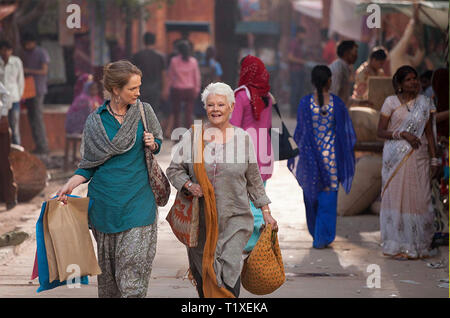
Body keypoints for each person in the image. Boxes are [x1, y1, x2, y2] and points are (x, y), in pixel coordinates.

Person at [56, 60, 163, 297]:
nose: (138, 92)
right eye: (132, 88)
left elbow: (158, 142)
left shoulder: (145, 112)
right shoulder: (95, 121)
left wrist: (152, 143)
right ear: (116, 90)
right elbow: (88, 166)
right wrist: (69, 185)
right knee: (110, 283)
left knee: (132, 280)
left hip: (139, 205)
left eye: (139, 87)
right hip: (105, 209)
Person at [166, 82, 277, 298]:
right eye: (210, 105)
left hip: (235, 220)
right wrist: (189, 185)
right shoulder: (193, 137)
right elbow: (174, 170)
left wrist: (266, 212)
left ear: (232, 107)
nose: (215, 109)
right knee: (204, 278)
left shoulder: (243, 139)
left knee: (229, 274)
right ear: (205, 108)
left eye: (220, 104)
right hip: (201, 224)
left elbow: (254, 179)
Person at [288, 65, 356, 249]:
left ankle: (316, 233)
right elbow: (346, 134)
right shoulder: (337, 104)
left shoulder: (305, 103)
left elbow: (300, 133)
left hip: (310, 159)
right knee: (328, 200)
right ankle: (322, 237)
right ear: (329, 81)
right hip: (331, 160)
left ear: (312, 81)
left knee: (311, 198)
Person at [377, 65, 438, 260]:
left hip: (419, 157)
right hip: (395, 158)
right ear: (400, 84)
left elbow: (429, 133)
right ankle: (397, 245)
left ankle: (419, 245)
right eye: (409, 79)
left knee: (420, 199)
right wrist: (402, 133)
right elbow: (380, 132)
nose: (414, 82)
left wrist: (435, 159)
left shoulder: (425, 103)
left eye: (416, 78)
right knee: (397, 199)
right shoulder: (390, 102)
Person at [230, 55, 274, 252]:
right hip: (264, 150)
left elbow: (232, 126)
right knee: (259, 193)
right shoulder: (268, 96)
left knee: (245, 198)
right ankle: (255, 238)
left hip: (245, 151)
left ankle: (250, 241)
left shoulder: (241, 95)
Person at [21, 33, 50, 155]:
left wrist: (29, 71)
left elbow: (44, 70)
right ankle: (38, 145)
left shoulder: (41, 52)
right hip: (28, 90)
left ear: (33, 42)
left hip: (38, 89)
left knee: (38, 118)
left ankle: (44, 146)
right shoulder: (25, 53)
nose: (27, 46)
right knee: (32, 118)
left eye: (29, 43)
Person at [131, 32, 168, 116]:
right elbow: (164, 74)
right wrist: (164, 90)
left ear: (144, 41)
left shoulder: (137, 56)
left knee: (140, 113)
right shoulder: (160, 57)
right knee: (153, 114)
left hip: (141, 89)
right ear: (154, 42)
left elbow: (132, 74)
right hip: (155, 90)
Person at [167, 40, 201, 131]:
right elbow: (196, 77)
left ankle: (177, 136)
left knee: (176, 114)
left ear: (178, 50)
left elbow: (170, 76)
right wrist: (197, 90)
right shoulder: (193, 61)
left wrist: (166, 89)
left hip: (177, 89)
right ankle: (188, 136)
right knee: (188, 114)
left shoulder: (174, 61)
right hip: (190, 90)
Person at [0, 40, 24, 145]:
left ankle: (16, 149)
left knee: (14, 127)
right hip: (1, 101)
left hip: (14, 98)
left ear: (11, 51)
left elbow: (20, 80)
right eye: (3, 50)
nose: (5, 52)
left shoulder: (16, 62)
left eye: (8, 50)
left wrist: (19, 95)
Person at [0, 82, 17, 211]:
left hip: (1, 124)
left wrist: (4, 114)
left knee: (4, 163)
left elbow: (6, 94)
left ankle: (10, 198)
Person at [329, 40, 358, 107]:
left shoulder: (345, 68)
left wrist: (361, 103)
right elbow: (333, 94)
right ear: (346, 53)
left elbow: (344, 98)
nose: (356, 55)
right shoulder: (338, 69)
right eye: (355, 52)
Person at [288, 27, 307, 116]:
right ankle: (293, 112)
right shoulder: (294, 43)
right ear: (299, 34)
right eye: (303, 34)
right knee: (295, 91)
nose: (304, 36)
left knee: (300, 91)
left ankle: (297, 111)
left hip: (301, 70)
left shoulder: (301, 44)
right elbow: (290, 57)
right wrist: (302, 61)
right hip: (295, 71)